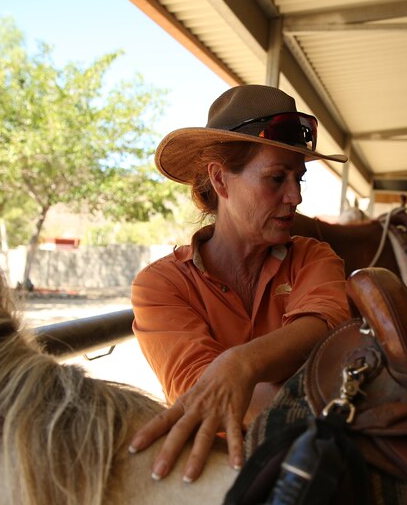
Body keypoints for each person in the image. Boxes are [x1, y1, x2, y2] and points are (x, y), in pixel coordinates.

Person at [127, 85, 352, 483]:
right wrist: (314, 397)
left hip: (313, 469)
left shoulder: (314, 257)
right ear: (220, 180)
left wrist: (239, 364)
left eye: (298, 178)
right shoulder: (160, 286)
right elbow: (202, 391)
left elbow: (325, 327)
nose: (295, 196)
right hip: (211, 479)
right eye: (276, 178)